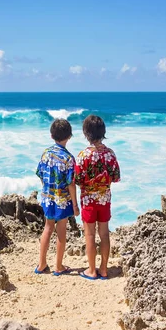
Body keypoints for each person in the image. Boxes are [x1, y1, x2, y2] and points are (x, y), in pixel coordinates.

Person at [75, 115, 120, 280]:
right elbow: (116, 177)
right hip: (105, 199)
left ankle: (91, 270)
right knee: (104, 234)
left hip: (88, 201)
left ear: (86, 133)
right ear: (103, 132)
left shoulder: (83, 156)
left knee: (90, 236)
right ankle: (104, 269)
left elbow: (78, 180)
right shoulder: (110, 154)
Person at [35, 119, 80, 276]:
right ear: (69, 136)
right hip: (62, 200)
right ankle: (58, 266)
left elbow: (40, 173)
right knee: (61, 230)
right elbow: (71, 184)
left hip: (48, 197)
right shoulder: (68, 158)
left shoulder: (46, 154)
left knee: (47, 227)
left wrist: (47, 188)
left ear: (51, 135)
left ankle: (41, 264)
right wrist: (75, 205)